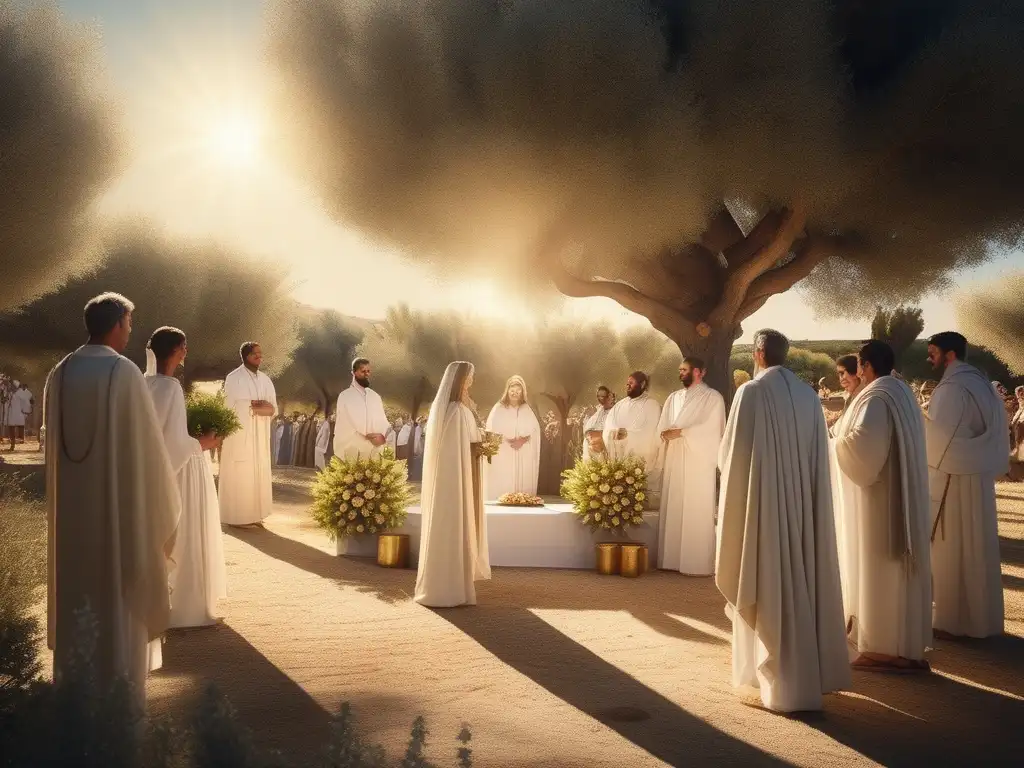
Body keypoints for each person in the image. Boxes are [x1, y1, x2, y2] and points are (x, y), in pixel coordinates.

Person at [44, 293, 180, 711]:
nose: (130, 331)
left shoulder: (59, 373)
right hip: (118, 524)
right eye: (130, 323)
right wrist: (162, 509)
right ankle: (117, 703)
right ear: (119, 323)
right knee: (119, 598)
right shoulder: (123, 373)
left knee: (79, 599)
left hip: (71, 523)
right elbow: (149, 457)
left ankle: (76, 698)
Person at [716, 329, 849, 712]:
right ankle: (796, 678)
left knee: (767, 580)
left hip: (764, 510)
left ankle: (778, 685)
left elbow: (732, 458)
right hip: (803, 512)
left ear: (758, 354)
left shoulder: (751, 393)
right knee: (801, 581)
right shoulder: (808, 396)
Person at [831, 340, 932, 673]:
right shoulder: (900, 393)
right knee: (896, 572)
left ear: (865, 365)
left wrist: (830, 442)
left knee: (879, 568)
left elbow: (864, 448)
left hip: (881, 503)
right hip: (900, 498)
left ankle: (884, 648)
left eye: (858, 364)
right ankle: (903, 645)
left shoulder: (876, 397)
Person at [924, 331, 1008, 639]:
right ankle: (979, 618)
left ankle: (954, 620)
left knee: (953, 545)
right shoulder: (981, 383)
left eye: (932, 353)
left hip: (954, 477)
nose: (928, 358)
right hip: (977, 474)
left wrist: (917, 422)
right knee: (977, 545)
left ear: (949, 355)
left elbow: (940, 438)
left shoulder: (953, 388)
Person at [144, 327, 227, 629]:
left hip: (153, 470)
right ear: (178, 350)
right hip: (179, 472)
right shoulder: (170, 387)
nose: (186, 352)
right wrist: (203, 443)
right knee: (184, 533)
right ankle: (184, 609)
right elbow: (175, 442)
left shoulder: (142, 383)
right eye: (185, 347)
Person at [414, 361, 491, 607]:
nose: (471, 382)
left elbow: (466, 444)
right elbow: (457, 448)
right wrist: (481, 446)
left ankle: (457, 584)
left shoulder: (459, 410)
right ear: (459, 380)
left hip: (459, 477)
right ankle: (449, 587)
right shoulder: (456, 412)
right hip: (454, 480)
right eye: (469, 377)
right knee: (454, 525)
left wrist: (481, 445)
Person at [657, 357, 726, 575]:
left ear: (700, 372)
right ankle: (671, 560)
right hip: (675, 457)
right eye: (680, 370)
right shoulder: (673, 397)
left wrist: (683, 432)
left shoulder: (713, 397)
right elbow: (663, 425)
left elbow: (712, 428)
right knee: (675, 503)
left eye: (685, 370)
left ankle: (695, 564)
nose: (681, 373)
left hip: (698, 460)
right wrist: (665, 434)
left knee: (695, 506)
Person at [219, 342, 277, 527]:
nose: (259, 357)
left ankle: (256, 515)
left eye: (261, 354)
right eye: (255, 354)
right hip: (240, 435)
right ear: (245, 356)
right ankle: (238, 518)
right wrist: (252, 405)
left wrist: (261, 406)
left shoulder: (265, 380)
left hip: (260, 436)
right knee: (241, 474)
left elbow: (272, 407)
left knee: (258, 473)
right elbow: (228, 407)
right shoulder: (233, 377)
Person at [603, 372, 662, 495]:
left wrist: (628, 434)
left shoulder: (652, 405)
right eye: (627, 383)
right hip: (619, 455)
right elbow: (609, 425)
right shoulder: (619, 405)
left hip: (639, 458)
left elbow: (651, 430)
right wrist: (613, 433)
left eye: (631, 383)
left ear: (642, 384)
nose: (628, 386)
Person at [485, 375, 542, 498]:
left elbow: (534, 431)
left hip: (521, 453)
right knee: (504, 482)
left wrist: (522, 440)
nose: (514, 393)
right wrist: (506, 440)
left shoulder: (526, 409)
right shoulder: (499, 408)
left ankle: (521, 499)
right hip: (504, 453)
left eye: (518, 391)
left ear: (522, 393)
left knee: (520, 488)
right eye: (512, 390)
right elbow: (491, 430)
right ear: (507, 390)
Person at [333, 358, 390, 460]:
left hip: (375, 450)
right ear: (354, 373)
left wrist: (382, 437)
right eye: (363, 371)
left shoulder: (375, 396)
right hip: (353, 449)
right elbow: (348, 423)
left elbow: (382, 420)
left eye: (368, 371)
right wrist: (369, 436)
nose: (367, 374)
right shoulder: (345, 396)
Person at [582, 386, 615, 461]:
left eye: (603, 396)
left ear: (609, 396)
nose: (600, 399)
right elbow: (588, 428)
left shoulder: (614, 411)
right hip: (593, 446)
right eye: (598, 396)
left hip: (606, 447)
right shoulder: (599, 410)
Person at [5, 380, 34, 451]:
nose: (11, 387)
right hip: (11, 413)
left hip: (19, 413)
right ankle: (12, 443)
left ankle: (20, 439)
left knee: (19, 426)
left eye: (12, 386)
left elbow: (29, 400)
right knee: (11, 428)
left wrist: (27, 410)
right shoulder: (8, 393)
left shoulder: (21, 393)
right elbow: (4, 401)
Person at [1012, 386, 1024, 462]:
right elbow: (1020, 409)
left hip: (1022, 421)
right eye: (1019, 392)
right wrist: (1014, 420)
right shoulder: (1020, 400)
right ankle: (1018, 454)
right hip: (1021, 421)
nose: (1021, 394)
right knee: (1018, 438)